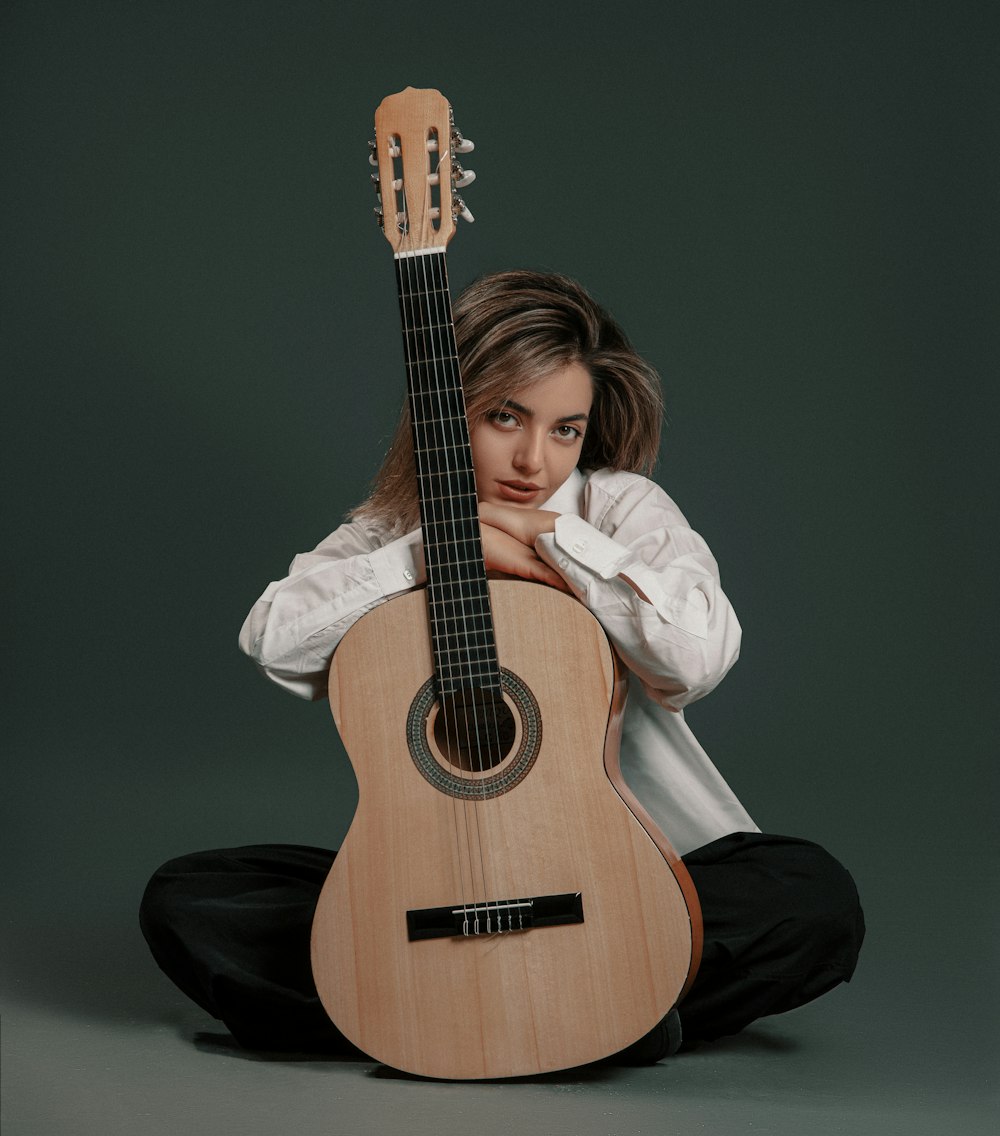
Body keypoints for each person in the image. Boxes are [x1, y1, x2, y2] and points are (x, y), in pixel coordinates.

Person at [140, 270, 864, 1064]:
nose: (533, 459)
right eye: (504, 417)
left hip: (627, 884)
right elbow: (273, 641)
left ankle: (433, 1010)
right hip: (438, 878)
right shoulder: (392, 532)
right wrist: (428, 553)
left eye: (565, 429)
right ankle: (590, 1016)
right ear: (449, 415)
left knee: (811, 897)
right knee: (188, 899)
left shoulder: (619, 509)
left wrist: (556, 540)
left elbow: (696, 659)